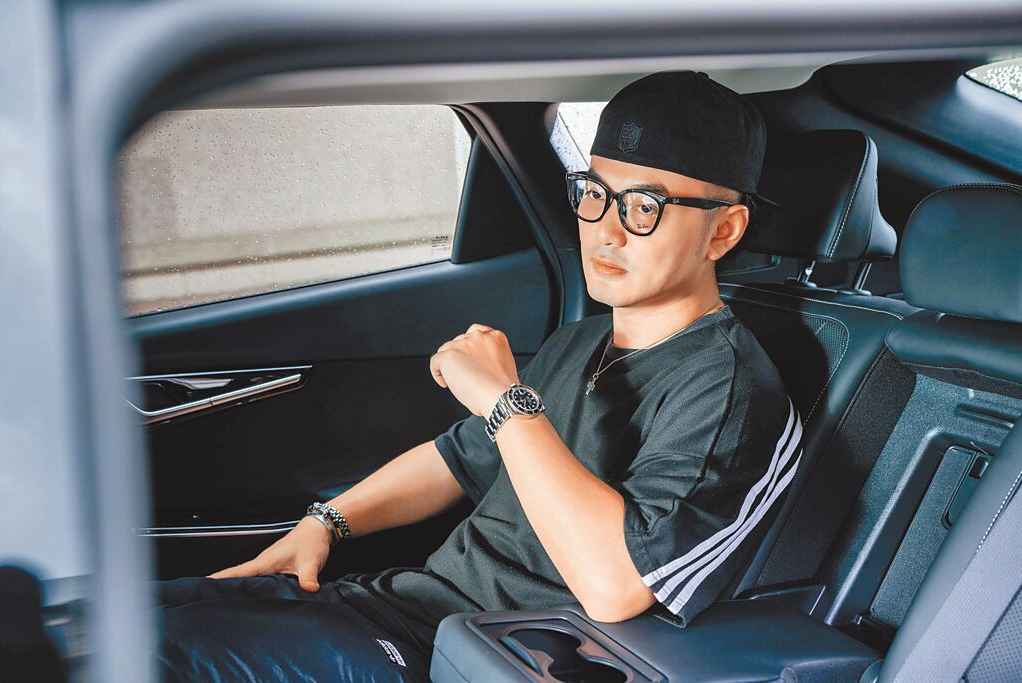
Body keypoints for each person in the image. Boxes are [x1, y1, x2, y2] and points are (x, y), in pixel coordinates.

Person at [155, 70, 802, 683]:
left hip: (477, 656)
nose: (606, 229)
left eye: (644, 206)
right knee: (127, 615)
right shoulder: (581, 341)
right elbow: (454, 460)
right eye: (595, 193)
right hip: (393, 607)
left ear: (723, 232)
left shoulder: (730, 393)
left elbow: (616, 585)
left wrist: (506, 400)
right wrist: (323, 524)